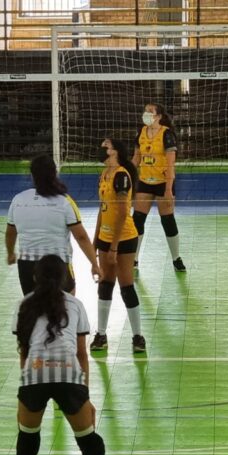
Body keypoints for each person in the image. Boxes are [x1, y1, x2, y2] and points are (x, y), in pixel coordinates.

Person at [11, 255, 122, 455]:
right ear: (64, 278)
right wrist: (84, 395)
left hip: (33, 374)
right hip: (69, 375)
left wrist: (27, 383)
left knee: (27, 440)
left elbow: (24, 351)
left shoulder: (24, 305)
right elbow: (81, 353)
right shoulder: (75, 305)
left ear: (35, 277)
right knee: (89, 443)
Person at [6, 154, 100, 295]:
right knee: (64, 309)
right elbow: (81, 236)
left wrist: (10, 253)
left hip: (27, 266)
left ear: (32, 175)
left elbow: (11, 232)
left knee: (34, 311)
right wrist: (94, 263)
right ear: (55, 174)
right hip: (57, 265)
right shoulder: (64, 201)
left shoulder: (18, 200)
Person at [91, 138, 145, 354]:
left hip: (123, 238)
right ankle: (101, 334)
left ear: (115, 152)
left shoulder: (121, 175)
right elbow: (102, 210)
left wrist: (113, 248)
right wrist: (95, 243)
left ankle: (138, 336)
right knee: (105, 284)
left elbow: (123, 213)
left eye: (106, 146)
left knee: (126, 286)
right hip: (105, 239)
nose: (102, 149)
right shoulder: (104, 175)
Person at [131, 103, 185, 272]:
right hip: (145, 182)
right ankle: (134, 258)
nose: (146, 114)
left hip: (163, 183)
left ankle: (176, 258)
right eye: (145, 110)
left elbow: (170, 165)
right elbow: (135, 160)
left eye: (150, 111)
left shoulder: (167, 134)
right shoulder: (140, 133)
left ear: (159, 116)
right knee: (137, 219)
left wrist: (168, 190)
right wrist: (123, 175)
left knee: (167, 220)